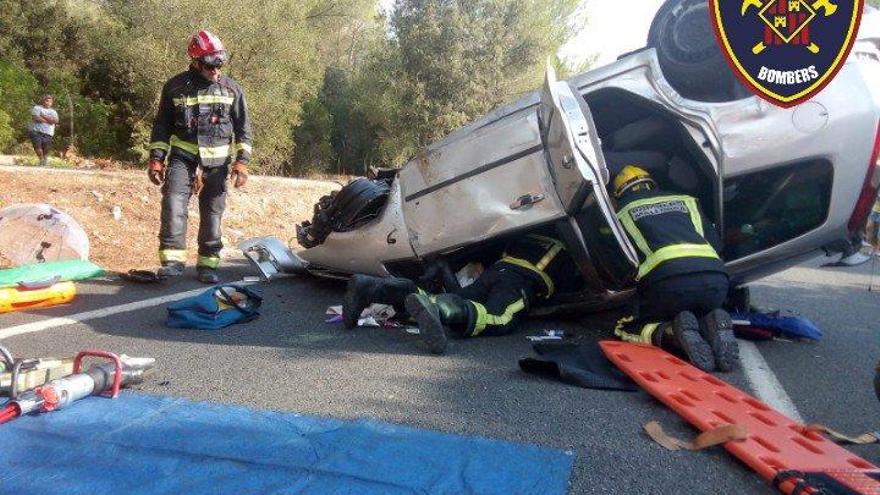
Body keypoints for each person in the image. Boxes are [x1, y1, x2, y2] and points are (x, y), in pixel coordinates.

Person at [342, 233, 582, 354]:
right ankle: (439, 312)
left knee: (463, 299)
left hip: (496, 271)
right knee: (500, 317)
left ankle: (373, 287)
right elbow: (571, 290)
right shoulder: (567, 250)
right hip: (521, 281)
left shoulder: (526, 236)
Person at [147, 30, 252, 284]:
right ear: (195, 62)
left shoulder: (231, 90)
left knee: (212, 212)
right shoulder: (174, 87)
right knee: (173, 204)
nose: (216, 72)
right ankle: (172, 262)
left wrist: (242, 162)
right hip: (183, 158)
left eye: (219, 66)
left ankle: (208, 264)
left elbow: (244, 130)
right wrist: (156, 158)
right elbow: (162, 126)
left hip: (217, 164)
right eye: (209, 66)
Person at [611, 165, 737, 372]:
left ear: (618, 193)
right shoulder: (687, 201)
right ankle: (711, 320)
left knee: (624, 327)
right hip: (716, 283)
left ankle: (672, 333)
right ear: (652, 183)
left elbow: (619, 264)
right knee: (697, 310)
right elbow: (716, 244)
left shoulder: (620, 212)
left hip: (668, 286)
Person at [29, 94, 58, 167]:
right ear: (43, 101)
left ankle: (44, 160)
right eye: (46, 101)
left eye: (50, 102)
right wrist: (49, 120)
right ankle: (41, 160)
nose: (48, 103)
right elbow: (36, 118)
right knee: (37, 147)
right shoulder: (37, 108)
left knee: (46, 149)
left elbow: (55, 120)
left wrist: (43, 116)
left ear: (52, 103)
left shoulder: (53, 111)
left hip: (48, 133)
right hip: (36, 131)